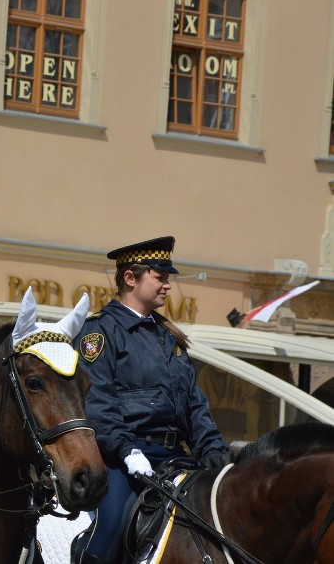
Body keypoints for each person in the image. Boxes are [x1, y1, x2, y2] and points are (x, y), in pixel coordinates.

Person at [74, 236, 230, 564]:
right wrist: (126, 450)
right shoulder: (100, 334)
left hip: (174, 458)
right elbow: (98, 403)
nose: (168, 285)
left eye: (167, 278)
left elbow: (195, 405)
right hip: (123, 460)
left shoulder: (167, 338)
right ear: (131, 278)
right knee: (112, 526)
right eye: (160, 277)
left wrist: (216, 455)